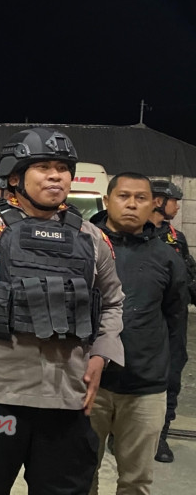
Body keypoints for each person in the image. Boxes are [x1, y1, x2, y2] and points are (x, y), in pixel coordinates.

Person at [0, 127, 125, 495]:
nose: (56, 175)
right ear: (15, 177)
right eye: (44, 167)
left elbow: (113, 301)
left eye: (63, 168)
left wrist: (102, 353)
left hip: (67, 400)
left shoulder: (91, 238)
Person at [87, 172, 188, 495]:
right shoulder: (83, 246)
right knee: (79, 475)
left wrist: (169, 380)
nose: (132, 204)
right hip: (88, 386)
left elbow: (176, 323)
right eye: (123, 196)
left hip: (145, 390)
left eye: (141, 198)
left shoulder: (168, 257)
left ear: (153, 204)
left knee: (136, 482)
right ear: (107, 201)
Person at [149, 179, 195, 462]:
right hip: (141, 321)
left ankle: (160, 437)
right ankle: (122, 434)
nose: (178, 206)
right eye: (174, 200)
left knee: (171, 380)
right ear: (158, 201)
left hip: (174, 325)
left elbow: (189, 277)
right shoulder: (134, 234)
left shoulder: (176, 238)